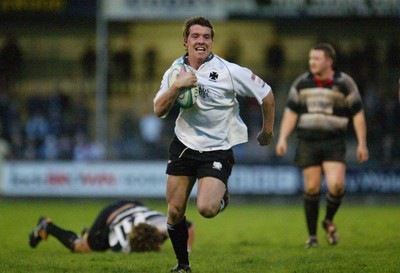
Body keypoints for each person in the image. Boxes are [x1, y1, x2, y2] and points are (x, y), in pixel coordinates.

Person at [153, 16, 275, 272]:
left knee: (207, 209)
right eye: (196, 36)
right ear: (185, 40)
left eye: (206, 37)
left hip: (217, 148)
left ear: (212, 41)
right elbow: (158, 109)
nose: (201, 41)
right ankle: (183, 265)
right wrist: (177, 86)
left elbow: (267, 94)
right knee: (174, 211)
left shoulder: (229, 71)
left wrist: (267, 131)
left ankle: (220, 196)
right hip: (184, 145)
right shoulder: (175, 71)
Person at [275, 43, 369, 248]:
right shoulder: (301, 83)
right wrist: (282, 137)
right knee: (312, 187)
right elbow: (291, 112)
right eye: (310, 59)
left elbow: (357, 113)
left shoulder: (344, 83)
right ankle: (312, 237)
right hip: (308, 141)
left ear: (329, 61)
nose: (312, 62)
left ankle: (328, 220)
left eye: (316, 59)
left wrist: (362, 143)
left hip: (334, 141)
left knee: (336, 186)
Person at [29, 200, 194, 253]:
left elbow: (188, 226)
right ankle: (47, 226)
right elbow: (189, 226)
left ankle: (89, 232)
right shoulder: (119, 243)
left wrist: (187, 251)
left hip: (131, 205)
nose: (158, 248)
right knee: (84, 247)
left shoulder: (163, 226)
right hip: (109, 218)